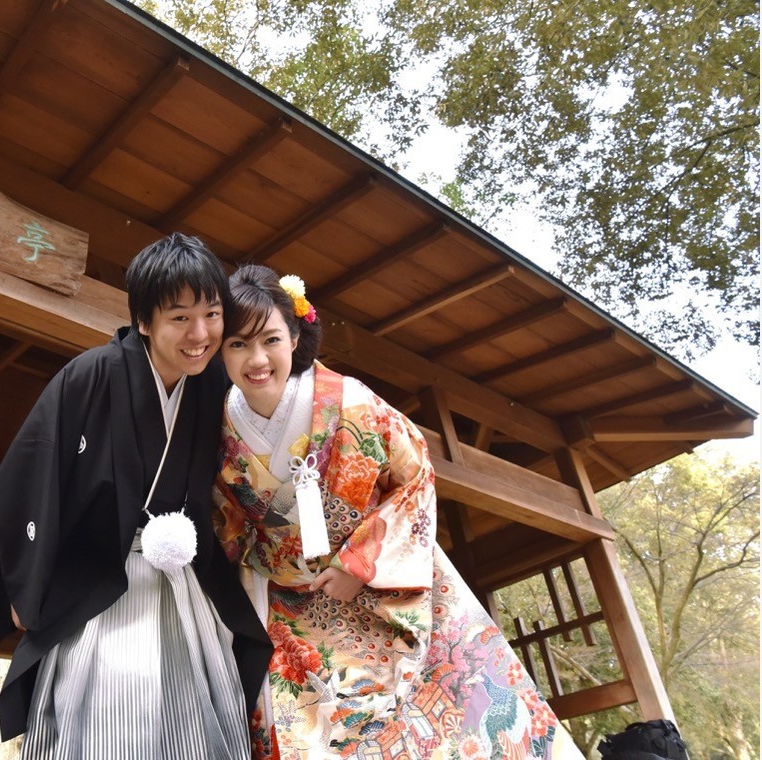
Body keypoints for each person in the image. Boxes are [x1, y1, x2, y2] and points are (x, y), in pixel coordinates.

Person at [212, 264, 584, 759]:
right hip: (287, 605)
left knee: (453, 710)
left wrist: (359, 564)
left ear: (296, 335)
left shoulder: (352, 403)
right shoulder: (221, 428)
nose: (256, 360)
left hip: (377, 588)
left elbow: (415, 478)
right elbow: (228, 522)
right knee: (300, 734)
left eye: (270, 340)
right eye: (237, 345)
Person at [0, 234, 271, 759]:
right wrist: (21, 582)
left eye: (212, 314)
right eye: (179, 317)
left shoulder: (216, 387)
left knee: (198, 722)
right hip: (101, 580)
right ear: (145, 322)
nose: (200, 334)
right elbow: (33, 469)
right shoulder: (92, 375)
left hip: (182, 579)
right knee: (106, 723)